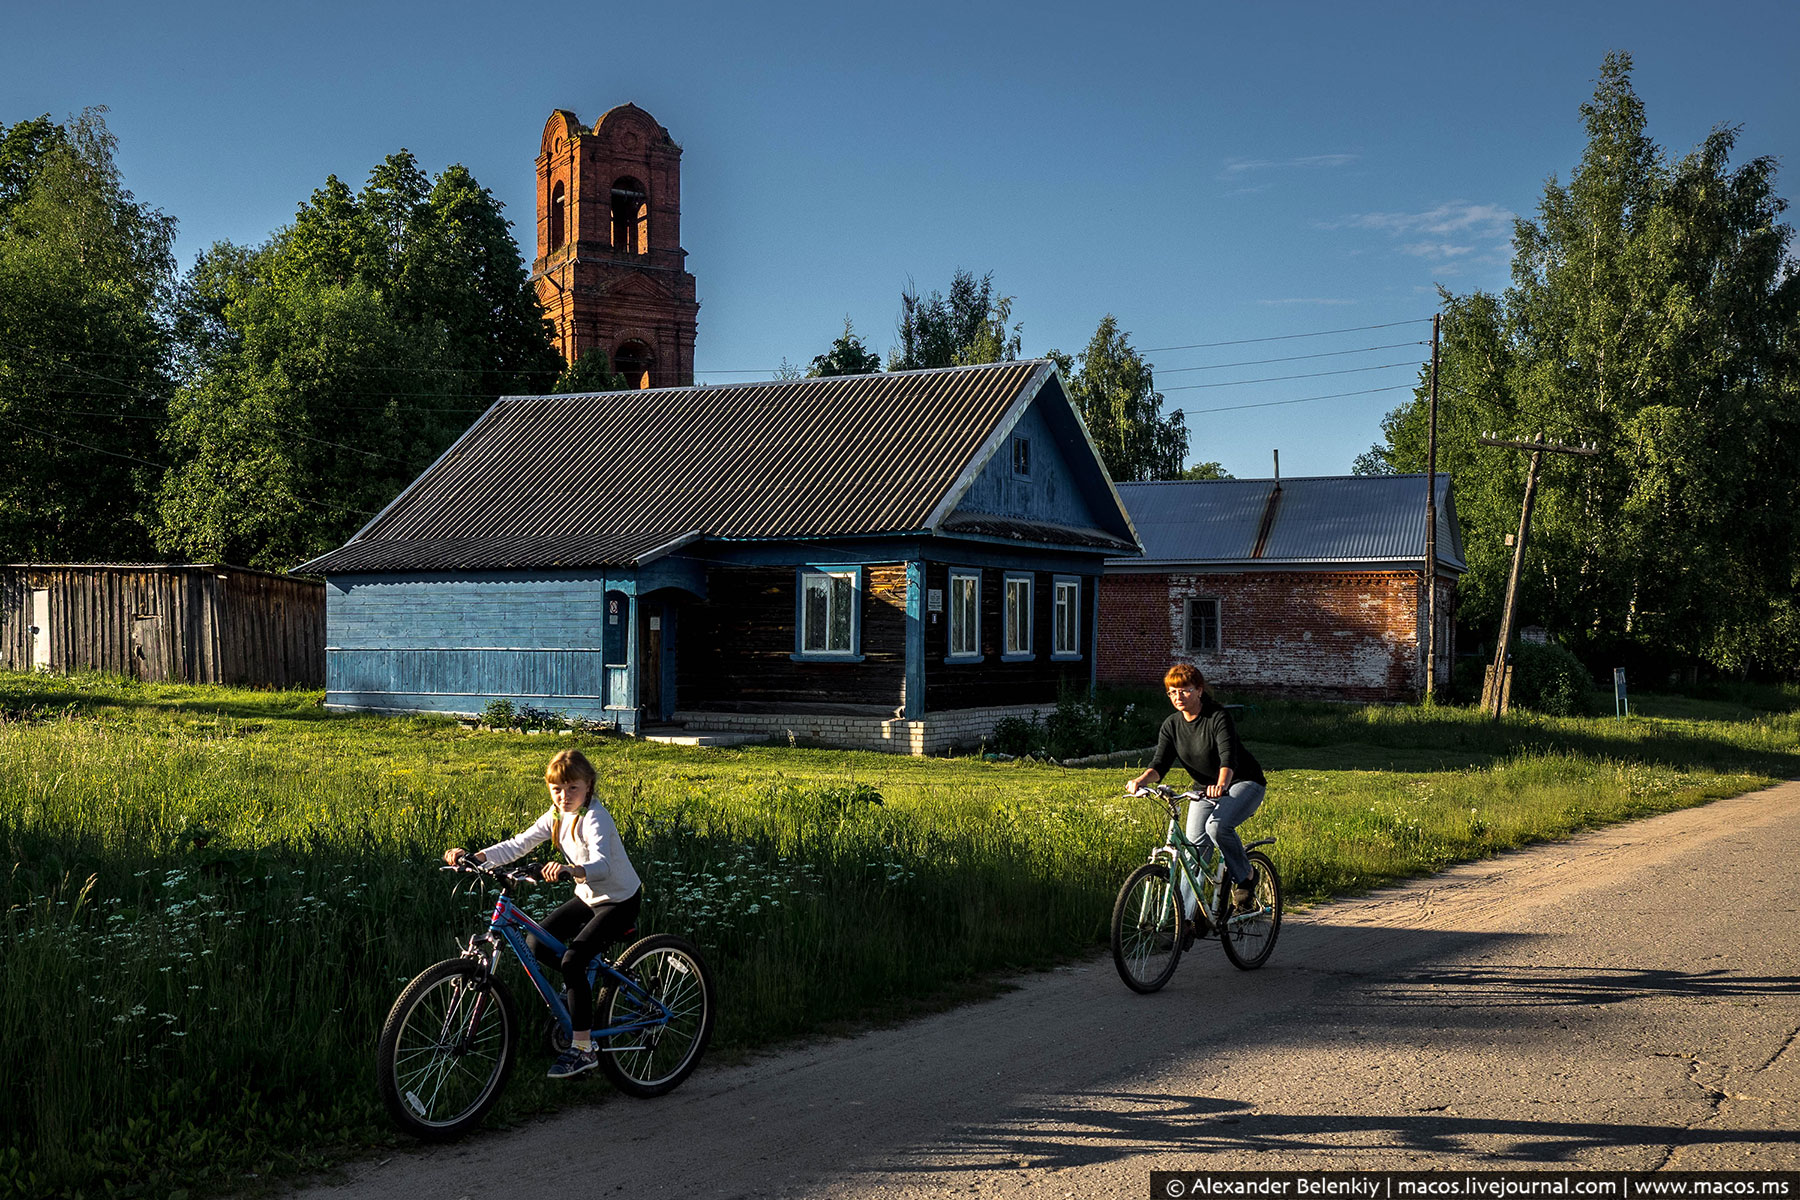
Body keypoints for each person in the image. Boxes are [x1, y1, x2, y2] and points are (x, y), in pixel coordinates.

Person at [444, 748, 642, 1079]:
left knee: (572, 962)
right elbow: (517, 845)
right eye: (557, 789)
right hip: (588, 895)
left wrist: (569, 869)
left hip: (619, 899)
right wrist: (477, 858)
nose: (564, 796)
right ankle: (588, 989)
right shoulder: (555, 815)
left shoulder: (595, 817)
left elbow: (603, 865)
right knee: (537, 945)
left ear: (588, 786)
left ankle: (583, 1049)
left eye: (572, 788)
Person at [1128, 663, 1267, 924]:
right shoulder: (1172, 725)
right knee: (1192, 853)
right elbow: (1159, 765)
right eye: (1172, 692)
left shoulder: (1217, 717)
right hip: (1205, 789)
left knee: (1218, 826)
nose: (1178, 697)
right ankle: (1185, 923)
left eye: (1184, 690)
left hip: (1243, 781)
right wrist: (1141, 780)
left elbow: (1229, 758)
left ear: (1199, 691)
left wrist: (1222, 785)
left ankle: (1246, 877)